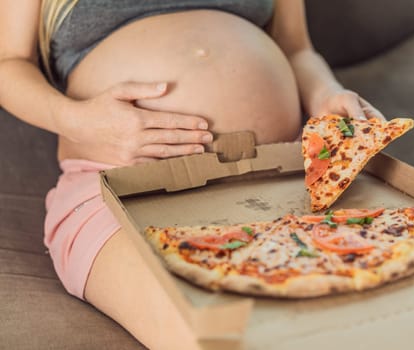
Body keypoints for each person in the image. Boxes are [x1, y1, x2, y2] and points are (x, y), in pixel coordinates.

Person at [0, 0, 385, 348]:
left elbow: (296, 48)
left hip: (286, 171)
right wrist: (78, 120)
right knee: (216, 339)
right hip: (122, 186)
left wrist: (325, 93)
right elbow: (8, 63)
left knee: (365, 326)